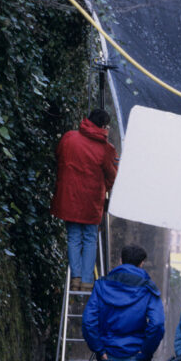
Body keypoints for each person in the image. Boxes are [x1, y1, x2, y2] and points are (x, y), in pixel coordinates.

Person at [50, 108, 119, 291]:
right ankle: (88, 281)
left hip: (69, 198)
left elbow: (58, 156)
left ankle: (76, 277)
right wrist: (104, 186)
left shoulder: (69, 138)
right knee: (89, 239)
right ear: (104, 126)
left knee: (73, 237)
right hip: (91, 202)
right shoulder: (106, 149)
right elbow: (113, 176)